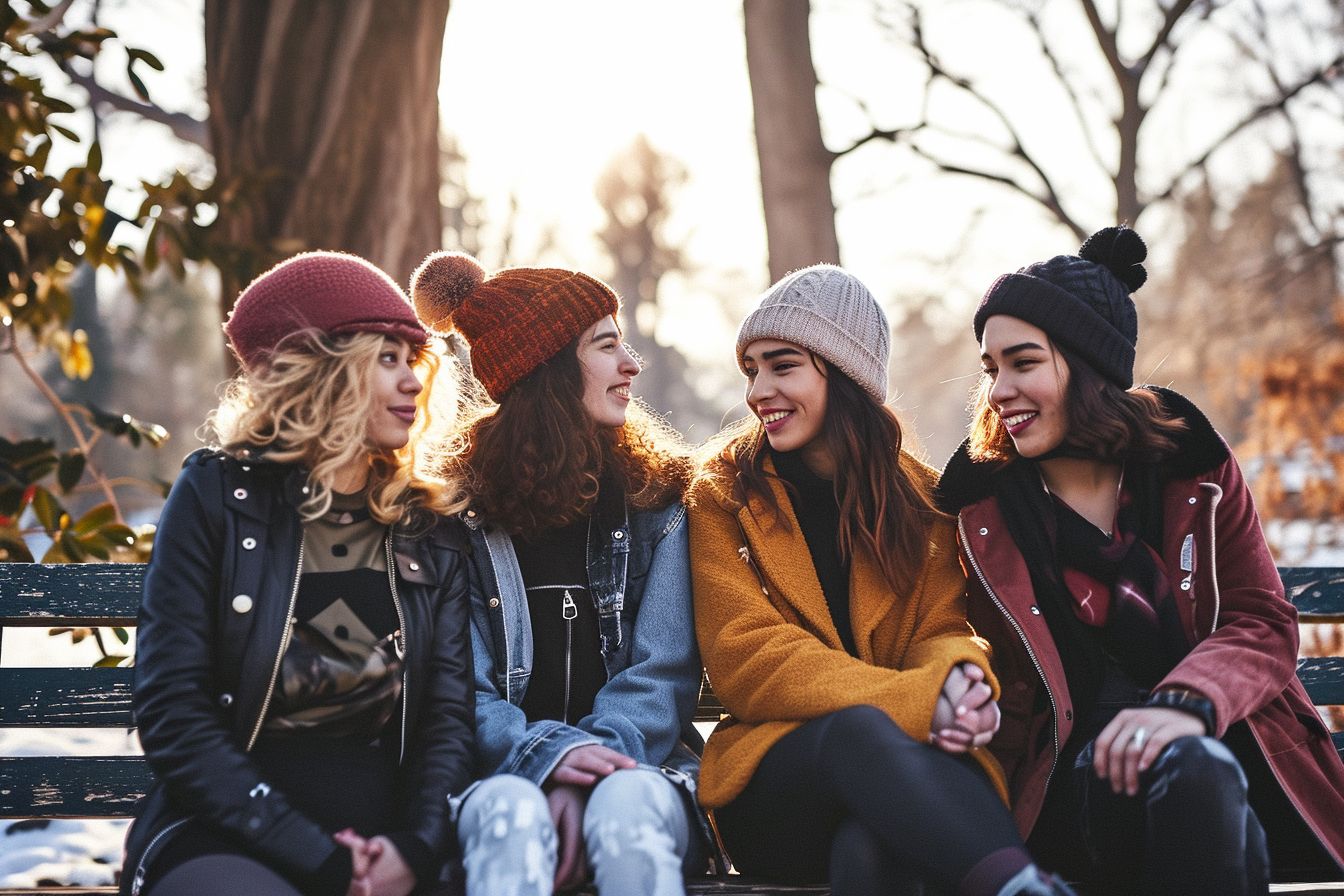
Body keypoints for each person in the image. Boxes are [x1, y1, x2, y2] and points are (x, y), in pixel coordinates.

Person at [934, 226, 1344, 895]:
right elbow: (950, 636)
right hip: (1075, 789)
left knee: (1199, 773)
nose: (999, 389)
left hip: (1226, 749)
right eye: (991, 368)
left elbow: (1262, 620)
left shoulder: (1192, 465)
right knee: (1197, 777)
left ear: (1089, 363)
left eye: (1024, 362)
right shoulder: (980, 508)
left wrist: (1183, 706)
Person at [687, 264, 1077, 896]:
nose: (759, 390)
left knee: (870, 853)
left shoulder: (924, 500)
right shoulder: (724, 495)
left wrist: (957, 679)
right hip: (777, 786)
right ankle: (1020, 888)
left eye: (782, 366)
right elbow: (749, 658)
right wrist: (922, 702)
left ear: (844, 374)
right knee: (857, 732)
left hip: (912, 779)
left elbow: (943, 628)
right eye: (752, 369)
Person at [122, 252, 476, 896]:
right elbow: (174, 711)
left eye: (413, 361)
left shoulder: (427, 523)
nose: (413, 383)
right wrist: (319, 859)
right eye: (387, 359)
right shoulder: (216, 495)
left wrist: (415, 850)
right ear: (323, 371)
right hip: (227, 833)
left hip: (390, 842)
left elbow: (446, 719)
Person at [408, 252, 712, 896]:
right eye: (607, 345)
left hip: (645, 772)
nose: (631, 364)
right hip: (497, 780)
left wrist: (589, 765)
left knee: (623, 805)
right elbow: (461, 688)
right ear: (545, 366)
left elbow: (662, 674)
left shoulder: (657, 503)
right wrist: (546, 760)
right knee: (512, 813)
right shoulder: (452, 518)